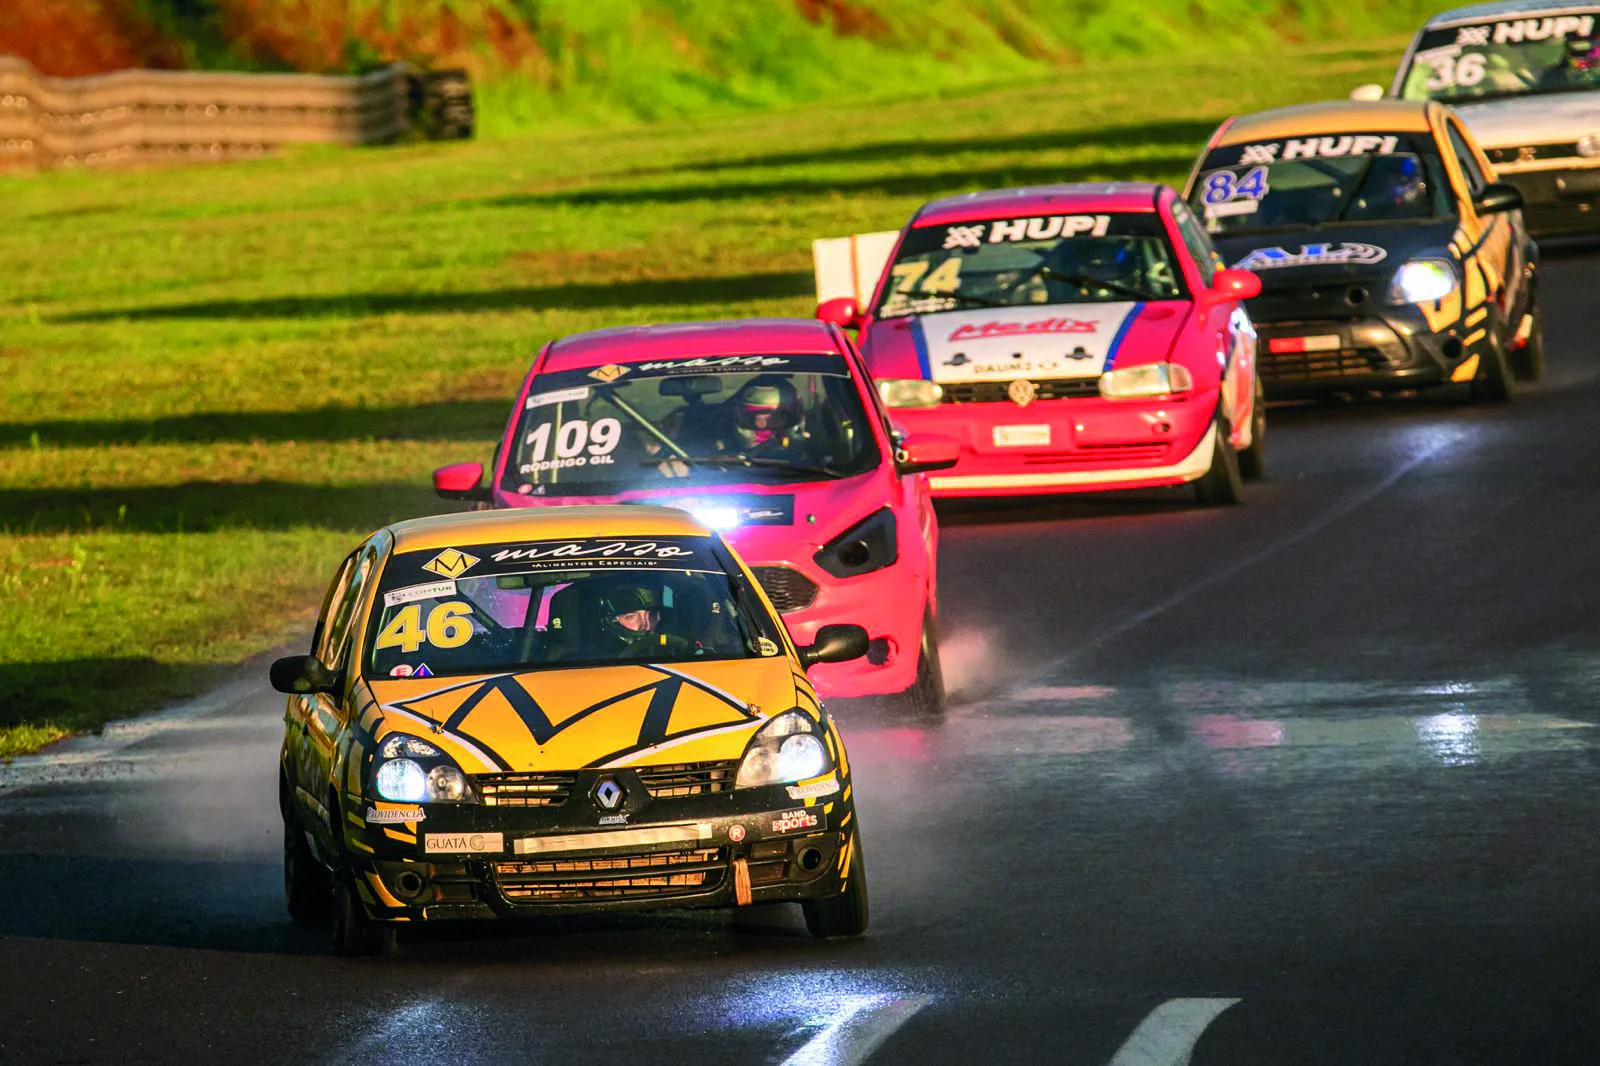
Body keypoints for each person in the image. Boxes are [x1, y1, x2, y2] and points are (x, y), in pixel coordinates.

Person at [595, 584, 688, 659]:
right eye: (631, 617)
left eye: (652, 615)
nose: (646, 626)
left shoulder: (676, 650)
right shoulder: (598, 657)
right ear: (614, 621)